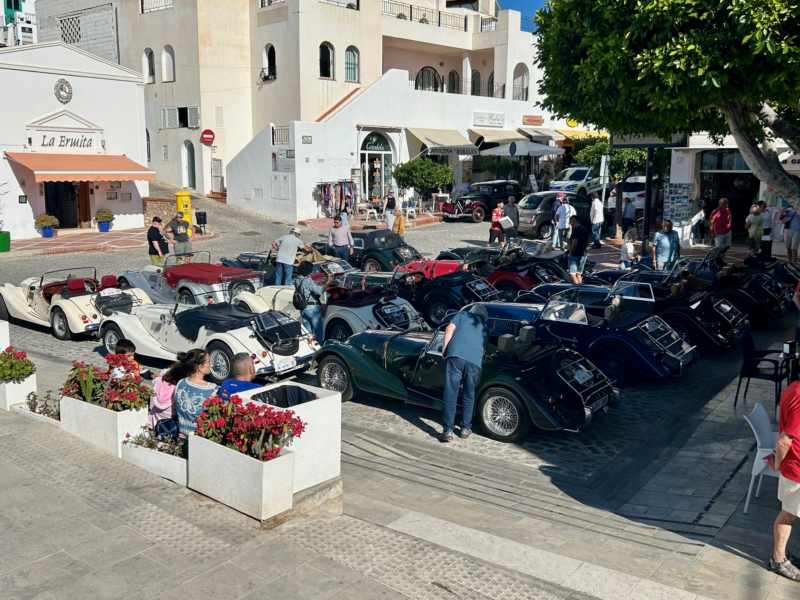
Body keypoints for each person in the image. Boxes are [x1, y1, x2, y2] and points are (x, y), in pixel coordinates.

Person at [440, 304, 490, 442]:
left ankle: (448, 430)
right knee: (469, 394)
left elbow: (449, 328)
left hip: (455, 356)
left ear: (472, 311)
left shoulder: (461, 315)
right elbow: (484, 351)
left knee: (451, 393)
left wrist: (445, 350)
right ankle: (465, 429)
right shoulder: (485, 327)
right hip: (474, 362)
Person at [765, 380, 800, 581]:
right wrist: (778, 464)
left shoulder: (794, 386)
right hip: (796, 469)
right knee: (788, 514)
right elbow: (784, 440)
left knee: (790, 512)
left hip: (793, 465)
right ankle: (778, 560)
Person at [173, 350, 218, 437]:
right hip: (200, 436)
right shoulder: (212, 389)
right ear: (200, 367)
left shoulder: (181, 383)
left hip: (181, 433)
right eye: (208, 361)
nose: (210, 364)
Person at [294, 260, 331, 341]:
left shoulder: (297, 279)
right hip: (312, 308)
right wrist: (328, 282)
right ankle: (318, 350)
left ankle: (310, 349)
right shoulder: (307, 281)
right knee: (319, 333)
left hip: (303, 308)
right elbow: (319, 291)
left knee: (308, 334)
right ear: (308, 271)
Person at [150, 367, 178, 438]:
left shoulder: (158, 382)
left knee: (154, 432)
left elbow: (155, 377)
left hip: (155, 419)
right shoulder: (177, 390)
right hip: (170, 420)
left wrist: (155, 375)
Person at [567, 215, 588, 284]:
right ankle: (581, 287)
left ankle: (576, 288)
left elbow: (574, 244)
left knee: (572, 274)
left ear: (573, 222)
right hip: (584, 254)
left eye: (570, 222)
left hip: (576, 254)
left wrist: (570, 253)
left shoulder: (575, 230)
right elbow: (588, 242)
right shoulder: (584, 228)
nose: (570, 224)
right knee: (579, 273)